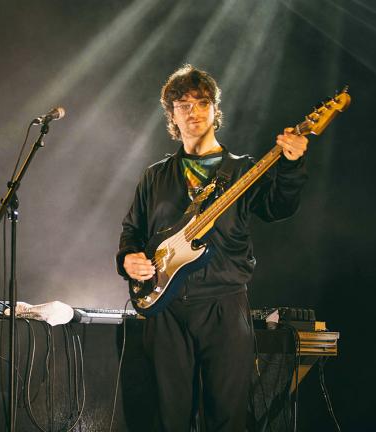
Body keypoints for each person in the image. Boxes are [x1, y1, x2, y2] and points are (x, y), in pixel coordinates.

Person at [115, 65, 308, 431]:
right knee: (168, 418)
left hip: (224, 306)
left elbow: (279, 208)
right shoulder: (155, 175)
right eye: (183, 105)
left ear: (215, 109)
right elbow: (132, 232)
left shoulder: (243, 170)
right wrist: (129, 259)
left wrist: (292, 166)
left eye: (202, 102)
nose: (194, 112)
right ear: (172, 115)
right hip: (166, 310)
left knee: (227, 416)